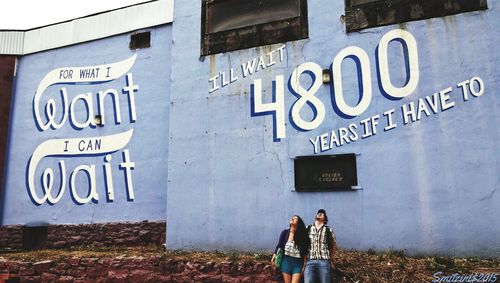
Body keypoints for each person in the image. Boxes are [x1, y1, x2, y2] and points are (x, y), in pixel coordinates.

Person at [271, 215, 310, 283]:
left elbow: (305, 251)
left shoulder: (302, 235)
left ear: (298, 223)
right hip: (286, 262)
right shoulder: (285, 232)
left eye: (295, 219)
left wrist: (304, 265)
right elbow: (279, 245)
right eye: (292, 218)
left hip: (298, 263)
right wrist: (274, 256)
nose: (292, 219)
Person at [304, 209, 337, 283]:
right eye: (318, 213)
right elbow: (304, 245)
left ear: (325, 219)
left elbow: (334, 245)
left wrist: (330, 260)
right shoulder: (307, 228)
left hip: (324, 262)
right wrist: (304, 262)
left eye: (322, 214)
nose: (320, 214)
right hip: (310, 262)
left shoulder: (329, 230)